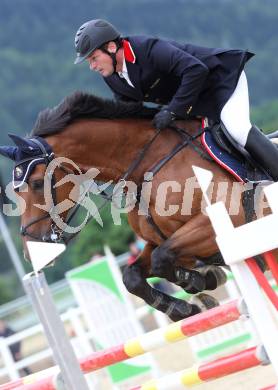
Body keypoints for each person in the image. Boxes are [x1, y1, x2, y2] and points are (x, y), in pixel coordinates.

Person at [74, 19, 278, 181]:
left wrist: (172, 111)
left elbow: (196, 70)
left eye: (93, 58)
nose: (92, 66)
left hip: (221, 80)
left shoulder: (147, 49)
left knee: (238, 129)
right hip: (196, 99)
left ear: (110, 47)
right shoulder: (113, 77)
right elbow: (131, 112)